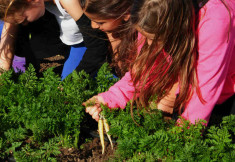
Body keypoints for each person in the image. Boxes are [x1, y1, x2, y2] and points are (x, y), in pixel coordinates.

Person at [84, 0, 235, 126]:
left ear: (175, 30)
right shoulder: (148, 9)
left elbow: (204, 90)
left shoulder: (215, 20)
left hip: (225, 83)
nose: (149, 44)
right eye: (145, 37)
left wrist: (185, 135)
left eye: (155, 39)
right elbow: (144, 67)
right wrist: (110, 98)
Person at [0, 0, 109, 79]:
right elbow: (8, 38)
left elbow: (98, 44)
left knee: (71, 85)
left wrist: (73, 82)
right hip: (73, 41)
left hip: (88, 42)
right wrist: (2, 74)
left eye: (24, 20)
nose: (24, 24)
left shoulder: (69, 2)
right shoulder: (27, 5)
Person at [80, 0, 136, 77]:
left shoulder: (139, 38)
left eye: (100, 22)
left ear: (126, 14)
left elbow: (126, 74)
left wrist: (113, 38)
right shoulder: (113, 28)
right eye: (91, 20)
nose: (93, 26)